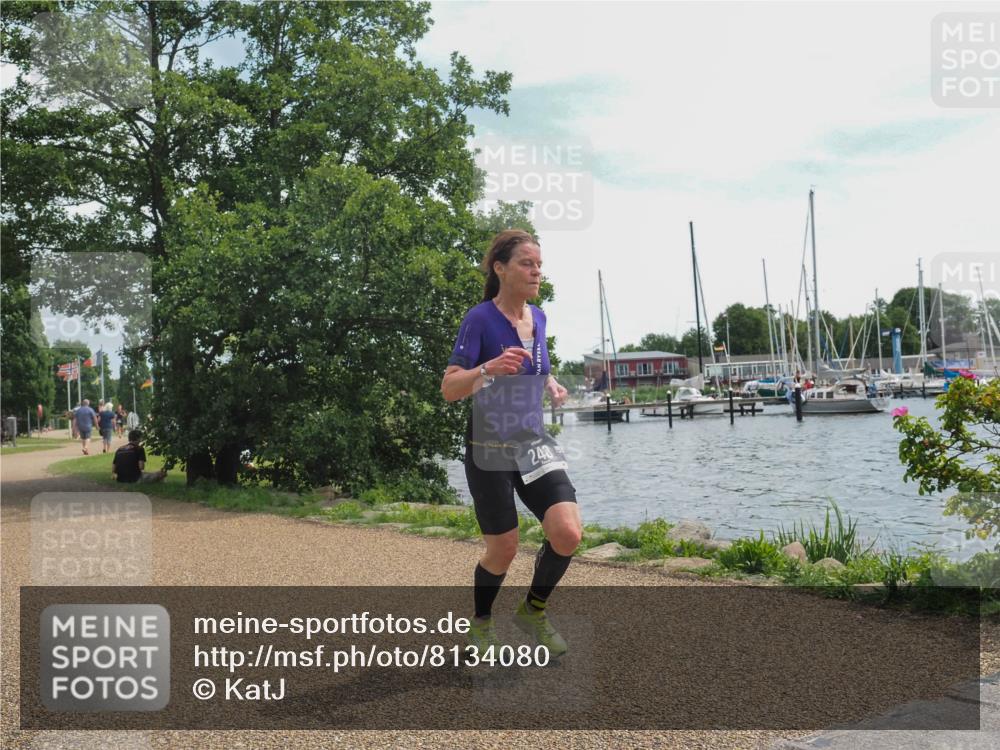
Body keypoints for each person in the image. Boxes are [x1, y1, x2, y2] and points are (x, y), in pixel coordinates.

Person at [441, 229, 580, 658]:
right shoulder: (479, 319)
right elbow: (450, 388)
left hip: (532, 441)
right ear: (500, 269)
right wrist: (488, 369)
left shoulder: (538, 318)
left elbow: (536, 366)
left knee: (567, 533)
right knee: (503, 550)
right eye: (526, 263)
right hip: (489, 446)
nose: (536, 271)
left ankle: (533, 611)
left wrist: (550, 384)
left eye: (539, 264)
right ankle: (481, 624)